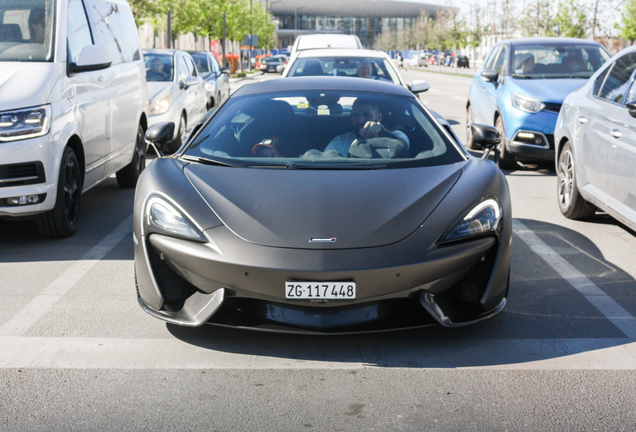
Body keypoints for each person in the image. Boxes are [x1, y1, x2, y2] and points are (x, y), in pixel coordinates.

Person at [324, 98, 410, 158]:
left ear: (379, 117)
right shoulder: (340, 141)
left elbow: (403, 146)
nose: (360, 120)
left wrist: (382, 130)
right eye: (355, 115)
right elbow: (326, 161)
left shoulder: (396, 134)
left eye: (366, 115)